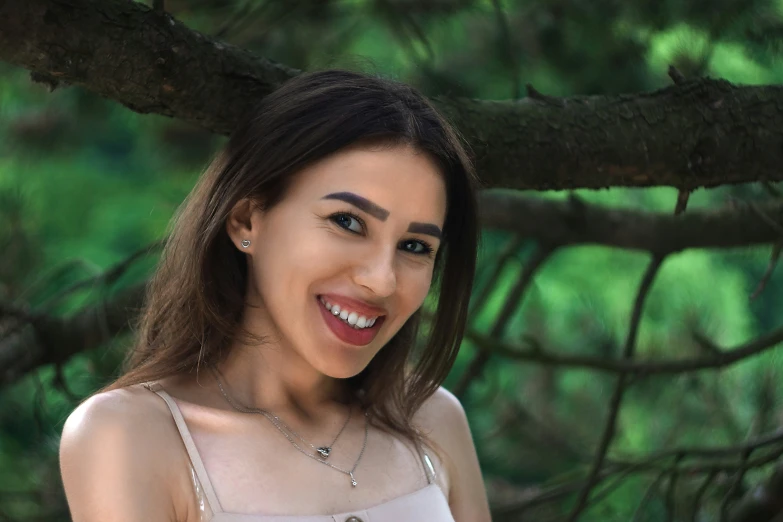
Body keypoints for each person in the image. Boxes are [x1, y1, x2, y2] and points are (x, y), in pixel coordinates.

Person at [59, 69, 491, 522]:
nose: (382, 281)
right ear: (247, 220)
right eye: (348, 222)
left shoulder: (432, 420)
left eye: (415, 247)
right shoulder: (131, 437)